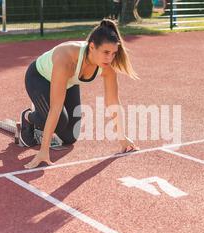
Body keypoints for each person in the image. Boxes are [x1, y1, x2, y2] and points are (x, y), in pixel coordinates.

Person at [21, 19, 140, 169]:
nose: (110, 58)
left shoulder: (108, 67)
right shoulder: (67, 59)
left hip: (69, 82)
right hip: (39, 77)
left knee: (70, 137)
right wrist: (44, 150)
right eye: (106, 52)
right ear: (91, 47)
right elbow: (56, 107)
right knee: (59, 121)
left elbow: (113, 102)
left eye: (113, 53)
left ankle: (41, 118)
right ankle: (29, 118)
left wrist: (122, 138)